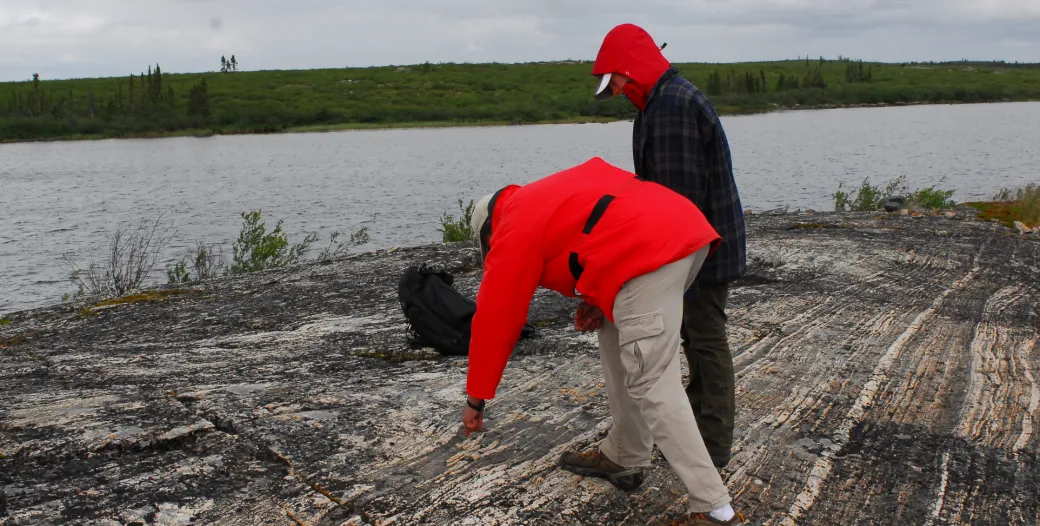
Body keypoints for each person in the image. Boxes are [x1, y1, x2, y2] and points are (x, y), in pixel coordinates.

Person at [459, 157, 746, 525]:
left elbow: (497, 314)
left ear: (488, 232)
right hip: (681, 235)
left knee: (653, 381)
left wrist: (476, 398)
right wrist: (598, 299)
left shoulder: (512, 223)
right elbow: (600, 225)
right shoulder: (541, 197)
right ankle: (625, 454)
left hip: (648, 253)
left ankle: (714, 508)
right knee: (614, 333)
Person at [591, 23, 748, 470]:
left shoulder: (672, 107)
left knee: (705, 342)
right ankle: (698, 435)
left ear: (629, 67)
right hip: (698, 247)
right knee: (697, 340)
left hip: (701, 251)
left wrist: (679, 276)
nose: (617, 90)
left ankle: (711, 449)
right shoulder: (658, 105)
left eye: (615, 81)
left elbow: (679, 205)